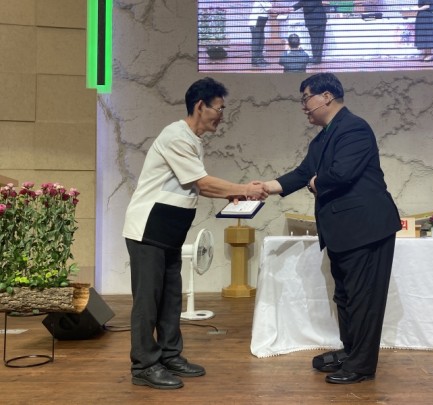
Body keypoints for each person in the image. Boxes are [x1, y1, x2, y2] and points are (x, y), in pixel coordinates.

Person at [122, 77, 268, 390]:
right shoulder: (175, 135)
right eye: (219, 108)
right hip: (148, 229)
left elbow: (195, 185)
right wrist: (244, 189)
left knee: (171, 299)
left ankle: (170, 355)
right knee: (148, 302)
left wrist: (233, 193)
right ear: (200, 106)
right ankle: (144, 365)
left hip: (168, 232)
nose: (222, 115)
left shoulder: (192, 140)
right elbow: (202, 183)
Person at [264, 73, 401, 384]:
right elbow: (303, 173)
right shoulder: (322, 138)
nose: (303, 106)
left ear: (326, 96)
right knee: (346, 297)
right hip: (344, 231)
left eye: (306, 98)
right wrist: (264, 188)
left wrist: (317, 182)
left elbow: (341, 174)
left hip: (366, 229)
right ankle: (351, 352)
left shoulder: (354, 128)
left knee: (364, 298)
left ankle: (361, 366)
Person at [289, 1, 328, 65]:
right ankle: (316, 59)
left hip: (318, 22)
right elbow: (297, 5)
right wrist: (287, 9)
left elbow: (309, 6)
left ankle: (316, 59)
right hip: (312, 23)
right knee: (314, 41)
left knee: (317, 41)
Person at [249, 1, 275, 67]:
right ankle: (255, 61)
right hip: (255, 24)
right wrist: (284, 10)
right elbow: (271, 10)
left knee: (261, 42)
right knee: (256, 42)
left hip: (261, 24)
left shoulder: (267, 2)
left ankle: (260, 59)